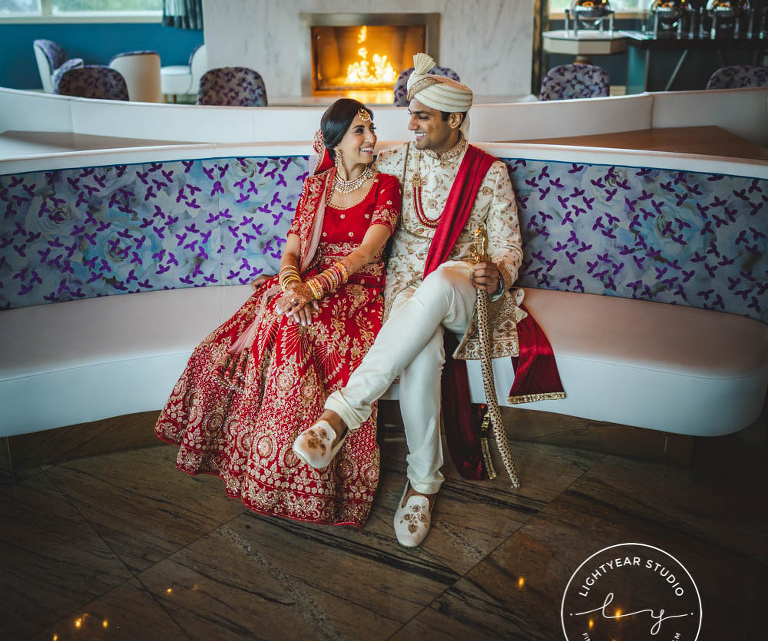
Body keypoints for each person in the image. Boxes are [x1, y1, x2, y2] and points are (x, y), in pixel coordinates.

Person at [293, 55, 564, 548]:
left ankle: (341, 416)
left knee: (438, 283)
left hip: (464, 290)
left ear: (454, 119)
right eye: (410, 115)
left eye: (422, 116)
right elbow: (338, 176)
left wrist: (498, 273)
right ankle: (422, 485)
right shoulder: (396, 161)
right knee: (422, 353)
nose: (410, 125)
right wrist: (301, 267)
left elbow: (510, 249)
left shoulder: (489, 173)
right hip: (404, 293)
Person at [155, 99, 401, 528]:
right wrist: (291, 286)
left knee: (291, 326)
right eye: (359, 131)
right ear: (335, 143)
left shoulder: (386, 185)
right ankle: (258, 462)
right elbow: (291, 251)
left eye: (371, 128)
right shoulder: (315, 188)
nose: (371, 138)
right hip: (305, 284)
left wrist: (313, 289)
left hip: (357, 291)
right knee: (255, 328)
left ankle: (303, 467)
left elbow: (367, 252)